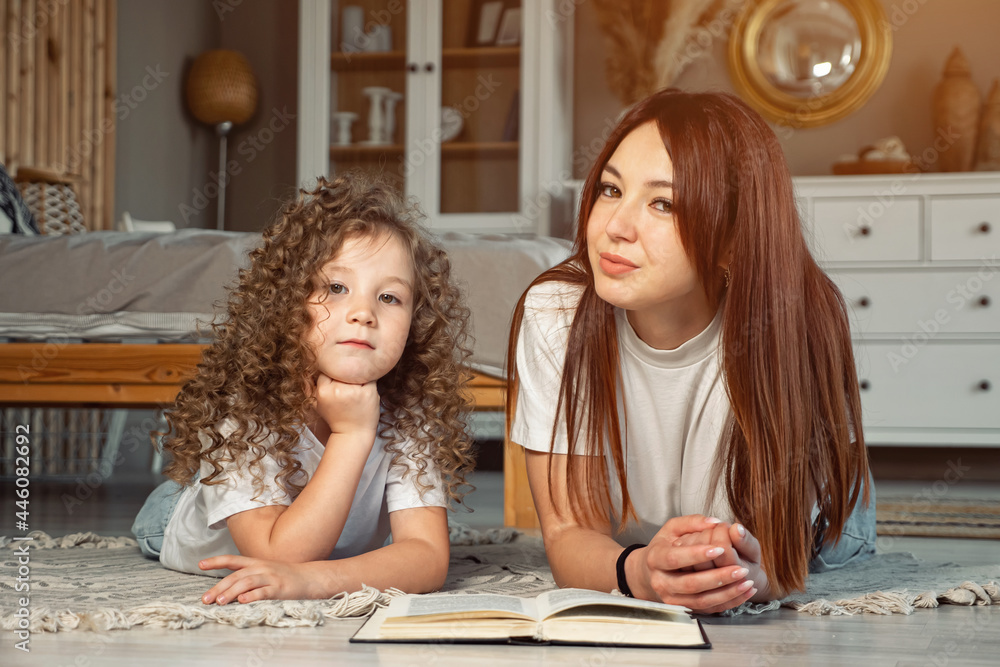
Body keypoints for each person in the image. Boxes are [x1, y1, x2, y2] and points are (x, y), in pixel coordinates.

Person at [506, 89, 875, 614]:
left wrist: (753, 575)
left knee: (837, 548)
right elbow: (570, 531)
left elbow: (781, 560)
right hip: (646, 534)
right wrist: (642, 574)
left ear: (731, 239)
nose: (614, 226)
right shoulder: (557, 315)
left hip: (824, 516)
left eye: (663, 202)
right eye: (610, 189)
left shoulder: (799, 321)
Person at [132, 173, 475, 604]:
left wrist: (319, 582)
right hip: (177, 521)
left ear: (416, 324)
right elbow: (280, 555)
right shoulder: (244, 405)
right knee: (170, 508)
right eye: (335, 288)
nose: (363, 313)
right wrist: (352, 435)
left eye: (389, 298)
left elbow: (427, 556)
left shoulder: (409, 409)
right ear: (287, 301)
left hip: (306, 535)